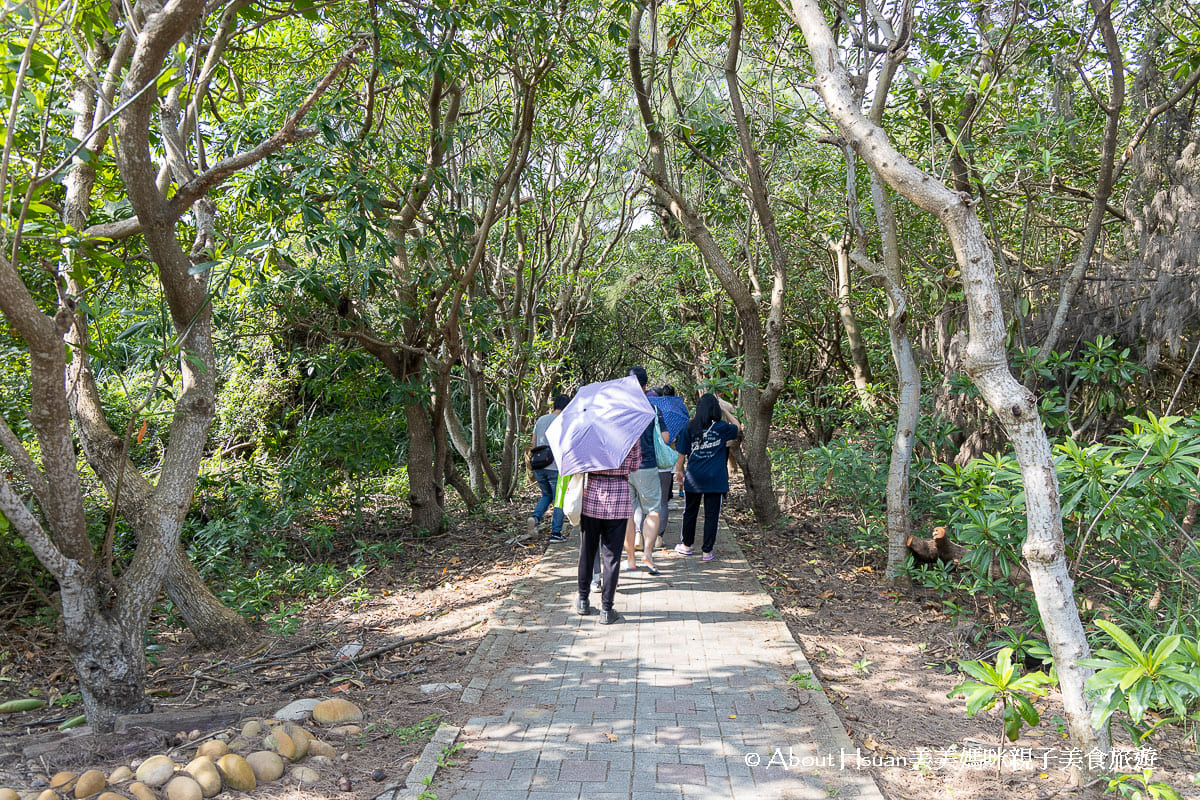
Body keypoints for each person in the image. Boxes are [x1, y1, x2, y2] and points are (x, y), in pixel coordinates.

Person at [577, 441, 641, 625]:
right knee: (612, 557)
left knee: (587, 552)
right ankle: (606, 609)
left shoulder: (593, 432)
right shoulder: (631, 434)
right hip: (619, 497)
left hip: (592, 497)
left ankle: (582, 600)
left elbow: (580, 461)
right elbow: (635, 466)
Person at [673, 393, 742, 561]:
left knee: (690, 512)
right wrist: (726, 410)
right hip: (715, 478)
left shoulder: (689, 427)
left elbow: (681, 456)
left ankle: (686, 546)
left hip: (694, 477)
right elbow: (738, 427)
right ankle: (707, 551)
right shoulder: (722, 428)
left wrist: (679, 472)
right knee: (712, 515)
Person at [623, 367, 668, 575]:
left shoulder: (619, 409)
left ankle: (630, 559)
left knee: (628, 514)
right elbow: (665, 439)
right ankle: (648, 555)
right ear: (645, 386)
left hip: (622, 468)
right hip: (647, 465)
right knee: (652, 510)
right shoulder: (653, 408)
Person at [642, 384, 688, 545]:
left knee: (642, 501)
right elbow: (669, 439)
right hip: (663, 464)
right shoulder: (670, 415)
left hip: (643, 463)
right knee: (662, 502)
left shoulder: (642, 411)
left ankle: (640, 534)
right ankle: (658, 537)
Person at [528, 394, 570, 543]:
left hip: (539, 465)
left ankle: (535, 517)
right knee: (559, 499)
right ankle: (556, 533)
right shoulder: (564, 421)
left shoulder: (541, 420)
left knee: (546, 495)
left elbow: (533, 444)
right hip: (555, 467)